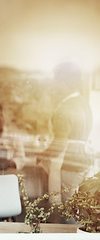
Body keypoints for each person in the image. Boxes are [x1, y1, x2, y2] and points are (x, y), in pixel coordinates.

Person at [37, 62, 93, 204]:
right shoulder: (84, 103)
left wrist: (43, 154)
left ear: (63, 82)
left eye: (56, 81)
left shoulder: (64, 109)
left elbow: (59, 145)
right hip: (85, 164)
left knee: (68, 212)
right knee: (80, 210)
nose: (55, 86)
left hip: (69, 167)